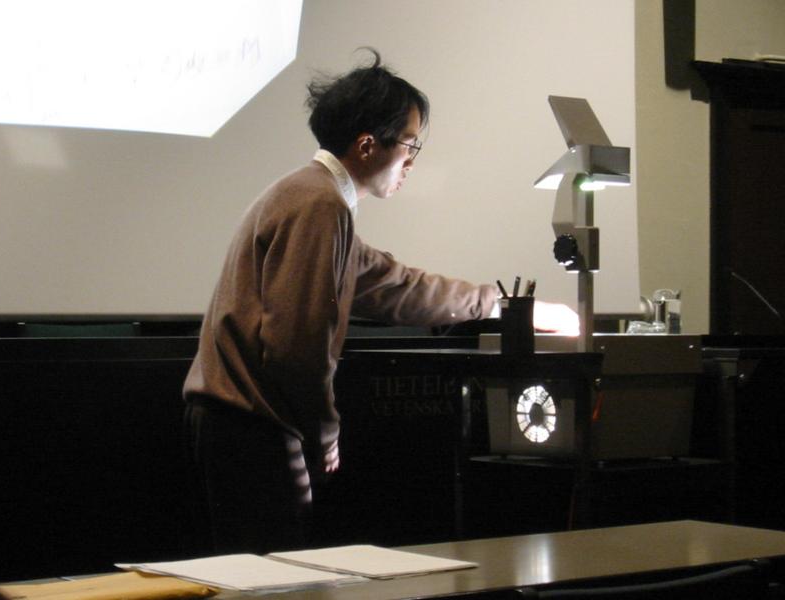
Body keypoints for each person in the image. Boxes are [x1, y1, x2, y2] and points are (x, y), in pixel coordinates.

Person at [183, 49, 576, 555]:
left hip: (243, 421)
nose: (412, 161)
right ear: (368, 144)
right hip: (251, 426)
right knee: (271, 577)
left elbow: (398, 287)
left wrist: (504, 304)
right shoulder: (319, 204)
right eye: (410, 144)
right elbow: (297, 346)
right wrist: (324, 431)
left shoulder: (312, 197)